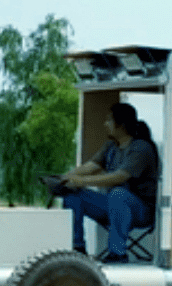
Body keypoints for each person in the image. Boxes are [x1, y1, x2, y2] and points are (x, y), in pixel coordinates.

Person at [59, 103, 159, 263]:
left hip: (141, 211)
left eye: (109, 120)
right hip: (113, 205)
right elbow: (91, 167)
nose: (105, 124)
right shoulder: (111, 147)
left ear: (122, 124)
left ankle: (117, 253)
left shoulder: (141, 148)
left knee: (118, 194)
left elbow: (120, 177)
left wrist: (81, 181)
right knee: (73, 195)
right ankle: (77, 249)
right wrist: (64, 178)